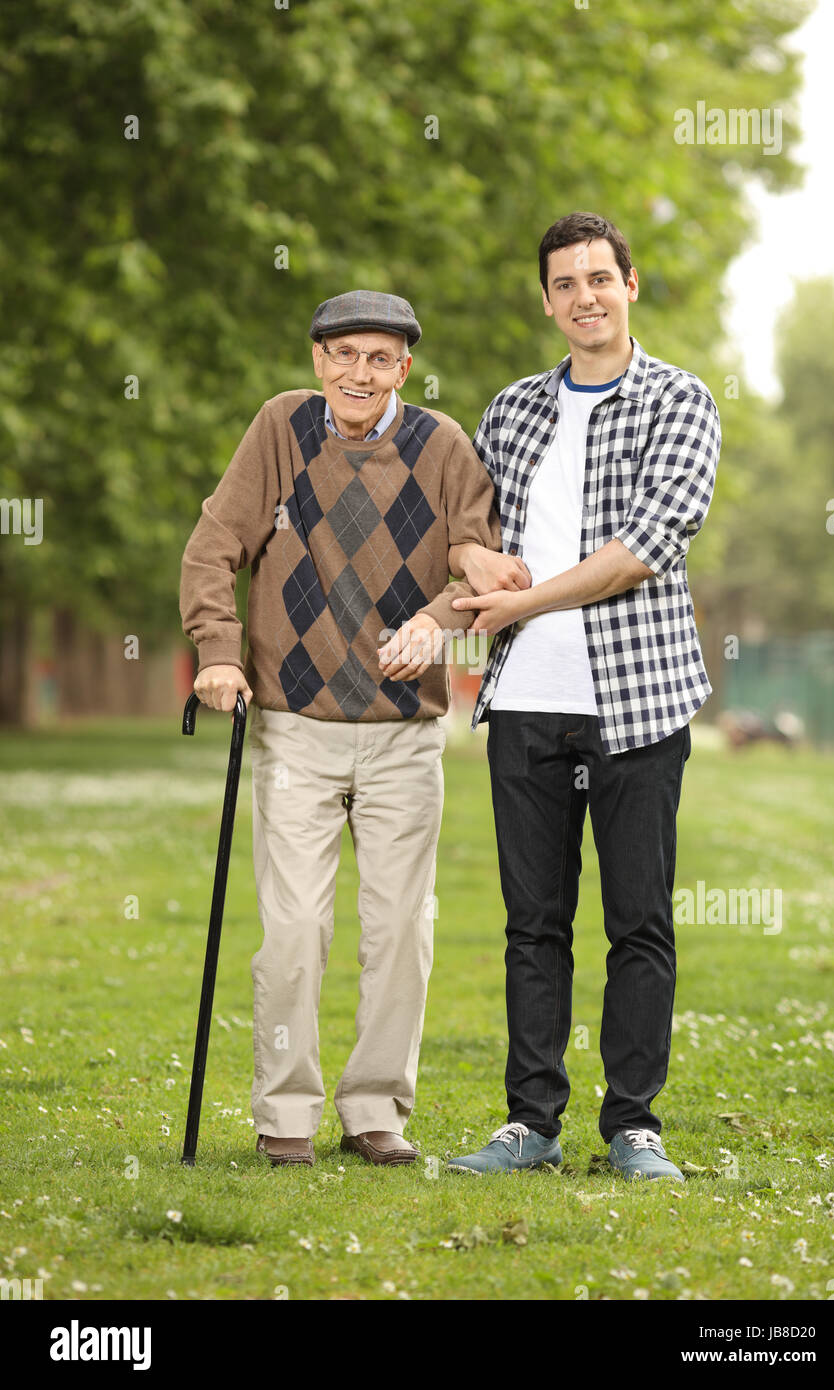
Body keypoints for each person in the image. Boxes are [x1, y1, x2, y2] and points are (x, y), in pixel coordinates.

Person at [179, 291, 524, 1167]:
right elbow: (215, 545)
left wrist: (440, 620)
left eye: (380, 359)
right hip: (295, 725)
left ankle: (376, 1111)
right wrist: (219, 652)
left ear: (404, 367)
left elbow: (479, 562)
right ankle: (285, 1115)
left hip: (405, 734)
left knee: (401, 928)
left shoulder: (444, 446)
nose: (360, 373)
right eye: (344, 356)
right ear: (317, 360)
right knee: (294, 929)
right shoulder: (281, 429)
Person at [444, 213, 721, 1181]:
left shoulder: (679, 403)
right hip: (525, 702)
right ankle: (531, 1122)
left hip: (635, 702)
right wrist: (477, 558)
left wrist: (521, 593)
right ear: (547, 300)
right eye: (563, 283)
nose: (583, 297)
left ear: (629, 286)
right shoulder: (511, 409)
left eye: (598, 277)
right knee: (533, 923)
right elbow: (462, 527)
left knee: (637, 918)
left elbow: (641, 551)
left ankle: (633, 1126)